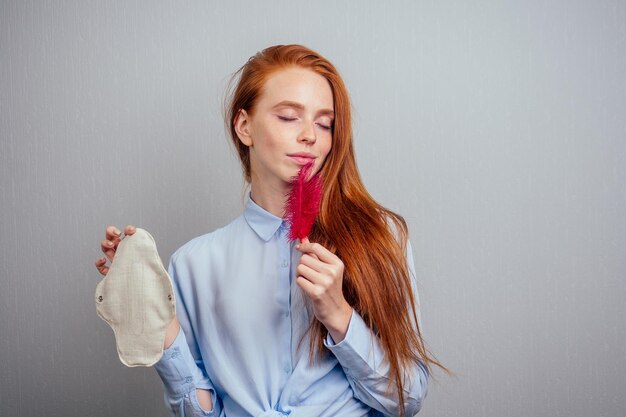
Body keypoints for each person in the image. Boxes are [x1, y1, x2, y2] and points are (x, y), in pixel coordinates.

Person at [95, 44, 449, 417]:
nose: (311, 135)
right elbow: (201, 412)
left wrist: (339, 314)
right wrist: (157, 323)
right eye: (289, 117)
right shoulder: (193, 264)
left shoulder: (381, 239)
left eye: (324, 123)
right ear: (244, 126)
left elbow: (406, 401)